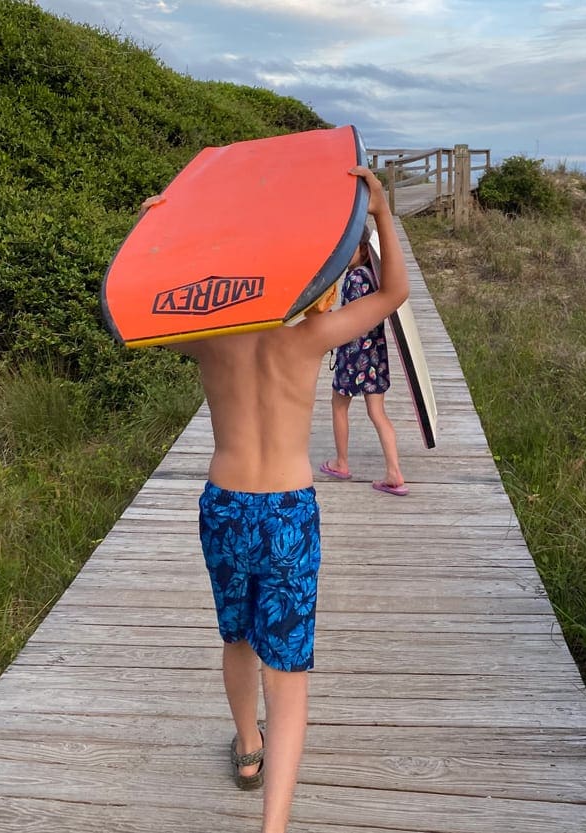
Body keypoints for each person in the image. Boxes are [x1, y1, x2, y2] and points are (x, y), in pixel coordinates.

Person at [151, 167, 409, 833]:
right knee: (287, 676)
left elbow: (148, 308)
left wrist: (157, 229)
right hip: (289, 510)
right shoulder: (309, 336)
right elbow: (395, 292)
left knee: (236, 634)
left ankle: (247, 748)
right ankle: (274, 827)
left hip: (226, 504)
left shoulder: (206, 336)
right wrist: (379, 213)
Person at [320, 227, 408, 496]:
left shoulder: (355, 279)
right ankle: (394, 472)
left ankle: (341, 463)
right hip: (374, 355)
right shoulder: (374, 276)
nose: (345, 255)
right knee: (377, 413)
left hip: (353, 355)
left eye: (349, 249)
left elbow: (350, 320)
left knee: (338, 406)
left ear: (362, 249)